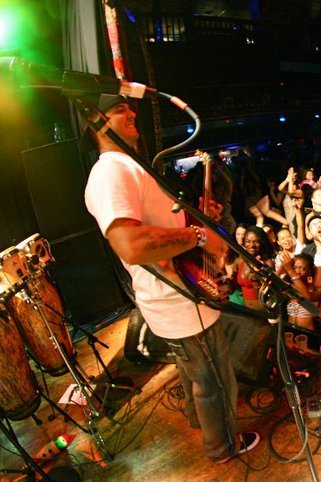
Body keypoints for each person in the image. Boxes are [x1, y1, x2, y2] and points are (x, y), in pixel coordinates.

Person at [83, 94, 258, 463]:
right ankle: (224, 446)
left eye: (130, 107)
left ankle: (200, 421)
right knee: (215, 379)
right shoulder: (110, 172)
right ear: (96, 121)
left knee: (194, 371)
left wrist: (197, 219)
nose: (131, 112)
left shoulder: (130, 166)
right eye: (119, 109)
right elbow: (132, 244)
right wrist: (199, 236)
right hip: (177, 299)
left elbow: (162, 226)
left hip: (179, 292)